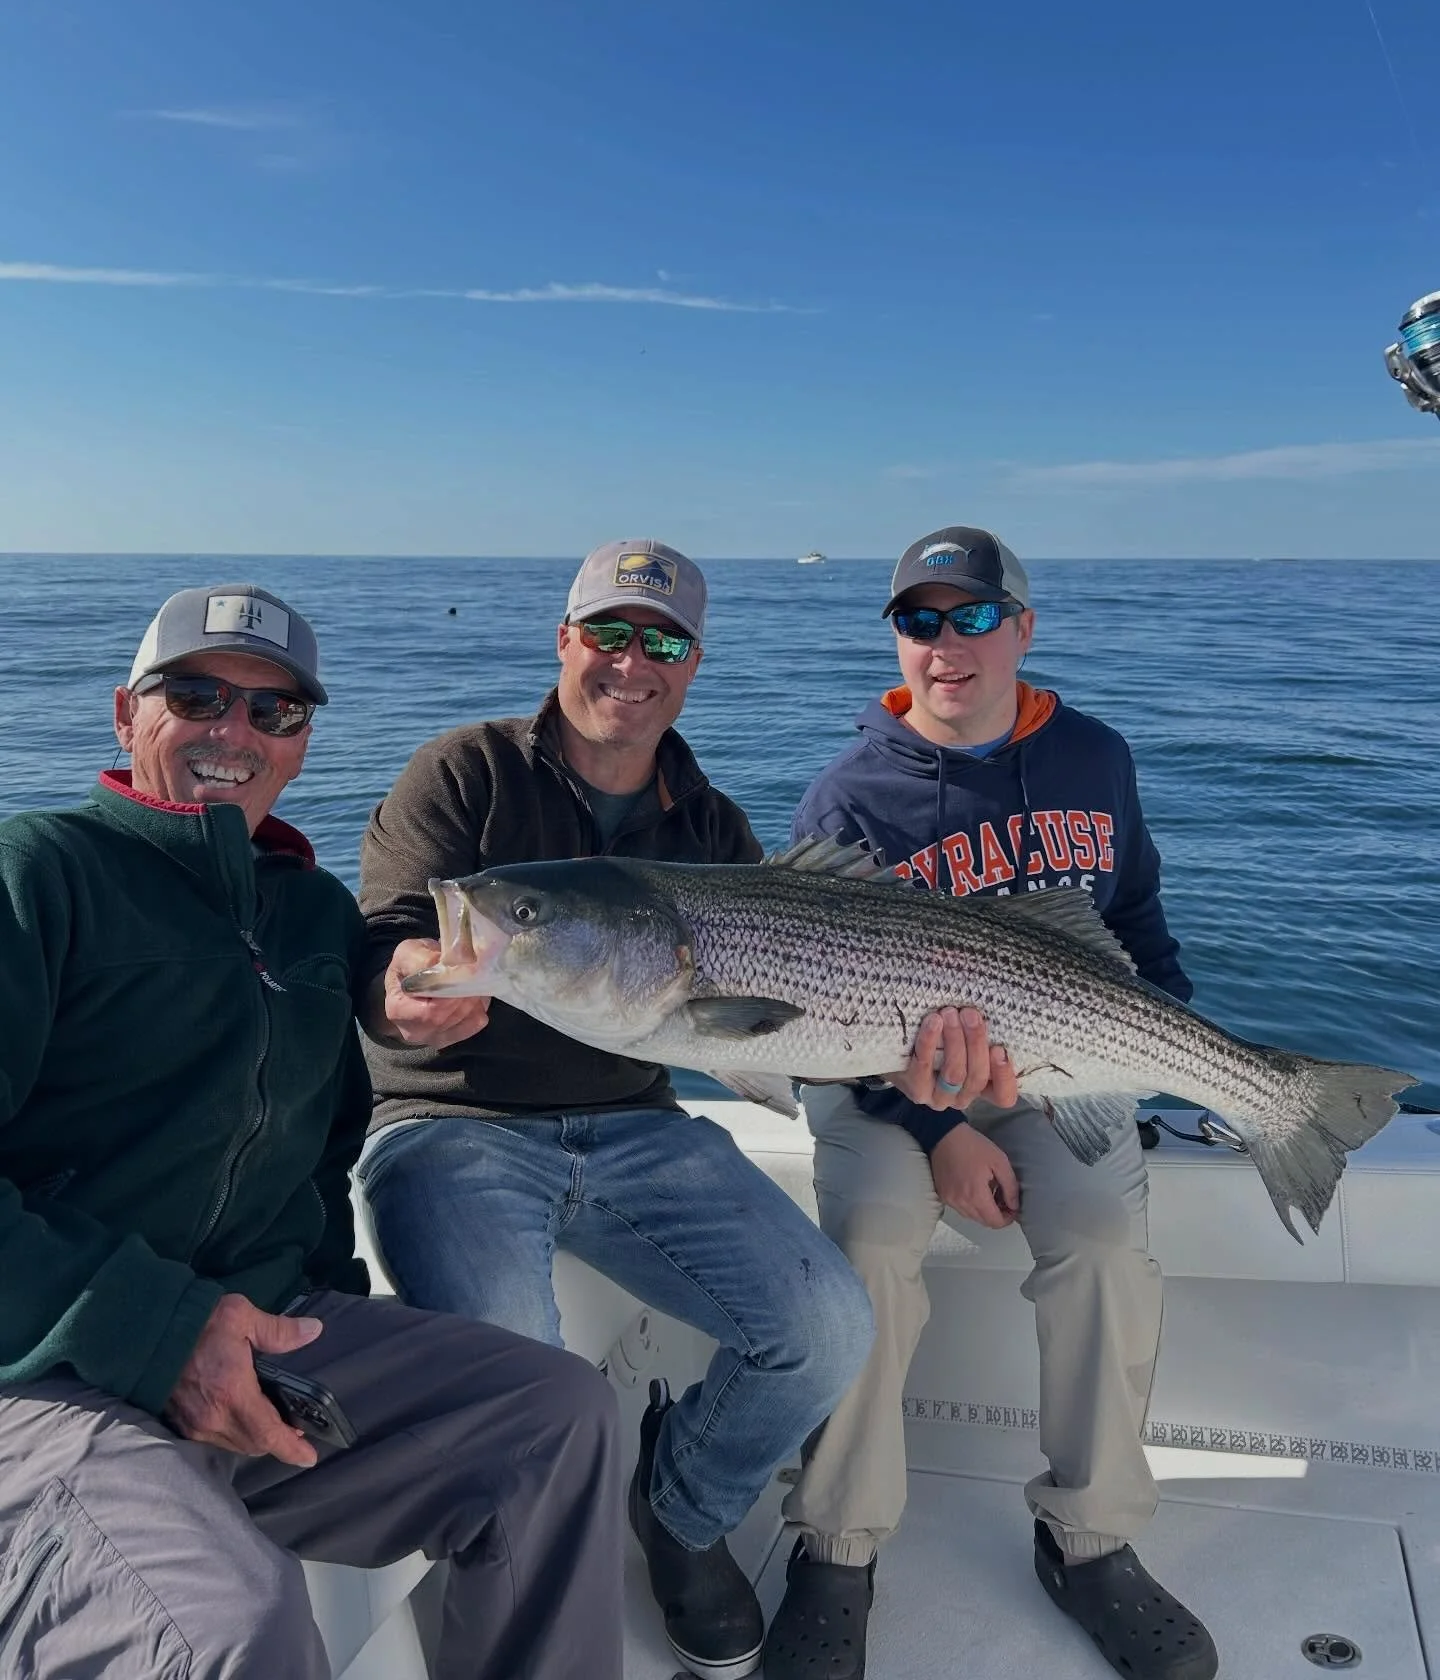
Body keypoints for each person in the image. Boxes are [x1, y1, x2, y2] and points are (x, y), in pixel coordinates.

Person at [0, 585, 622, 1680]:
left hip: (266, 1329)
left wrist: (326, 1310)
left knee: (557, 1415)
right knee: (227, 1625)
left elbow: (318, 1156)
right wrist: (163, 1329)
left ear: (301, 741)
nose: (234, 733)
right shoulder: (38, 875)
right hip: (45, 1370)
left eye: (274, 712)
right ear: (124, 714)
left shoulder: (312, 914)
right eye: (196, 696)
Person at [356, 540, 885, 1680]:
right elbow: (386, 937)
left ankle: (683, 1509)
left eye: (663, 641)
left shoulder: (712, 827)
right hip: (453, 1128)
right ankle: (518, 1611)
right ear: (564, 640)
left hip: (641, 1128)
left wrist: (922, 1061)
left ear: (692, 664)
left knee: (828, 1328)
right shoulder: (462, 773)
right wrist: (400, 987)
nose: (631, 663)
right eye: (608, 632)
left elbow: (767, 1035)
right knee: (526, 1385)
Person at [768, 528, 1220, 1680]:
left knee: (1107, 1239)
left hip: (1060, 1062)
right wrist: (942, 1131)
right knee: (871, 1237)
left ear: (1022, 625)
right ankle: (837, 1549)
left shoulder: (1094, 757)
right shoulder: (846, 796)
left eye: (970, 617)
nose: (945, 645)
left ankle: (1090, 1538)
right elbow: (814, 1009)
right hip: (883, 1083)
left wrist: (1167, 1036)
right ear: (897, 642)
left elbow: (1139, 921)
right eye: (919, 621)